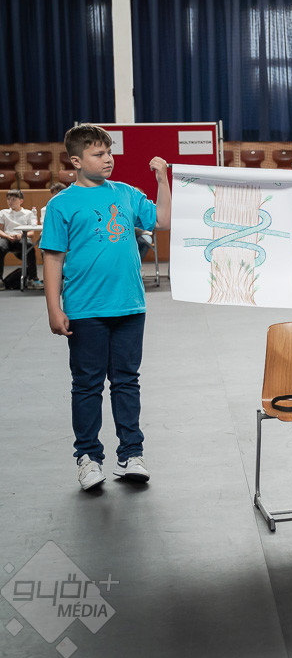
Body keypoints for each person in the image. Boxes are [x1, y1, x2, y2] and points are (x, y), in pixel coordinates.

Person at [41, 124, 172, 490]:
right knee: (87, 385)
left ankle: (132, 454)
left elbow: (162, 221)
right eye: (98, 154)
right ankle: (88, 457)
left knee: (127, 381)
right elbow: (52, 259)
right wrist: (53, 308)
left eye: (109, 153)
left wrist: (162, 180)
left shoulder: (127, 194)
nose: (108, 159)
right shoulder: (61, 204)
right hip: (85, 310)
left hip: (129, 306)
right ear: (76, 161)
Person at [1, 189, 40, 289]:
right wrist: (7, 236)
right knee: (0, 247)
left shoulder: (28, 213)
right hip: (7, 237)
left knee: (30, 247)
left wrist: (21, 235)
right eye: (8, 199)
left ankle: (33, 278)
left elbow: (31, 233)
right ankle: (0, 279)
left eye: (13, 199)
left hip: (21, 237)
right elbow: (0, 230)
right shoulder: (3, 213)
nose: (10, 201)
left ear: (21, 201)